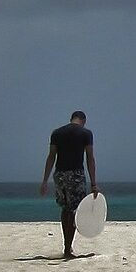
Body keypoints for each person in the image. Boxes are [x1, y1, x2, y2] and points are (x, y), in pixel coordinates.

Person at [40, 110, 99, 259]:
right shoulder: (86, 133)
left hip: (59, 175)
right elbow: (90, 159)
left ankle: (67, 246)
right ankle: (67, 249)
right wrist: (93, 183)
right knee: (74, 210)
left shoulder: (57, 133)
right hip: (76, 174)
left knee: (65, 209)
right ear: (83, 120)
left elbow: (51, 157)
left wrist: (45, 181)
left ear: (71, 119)